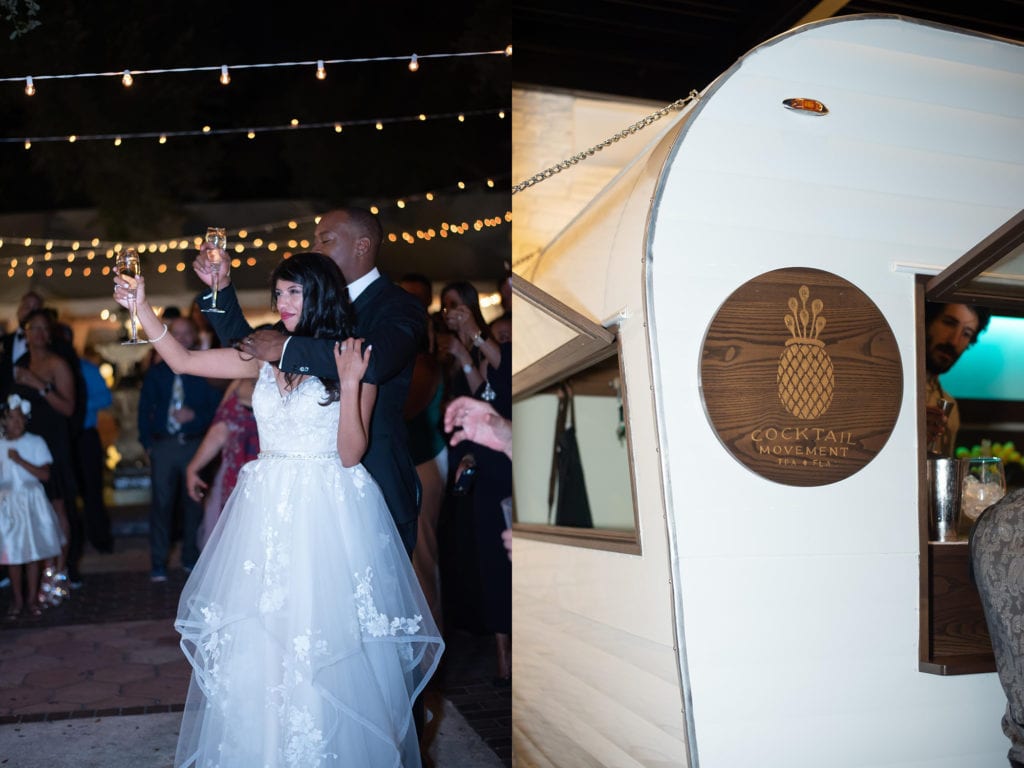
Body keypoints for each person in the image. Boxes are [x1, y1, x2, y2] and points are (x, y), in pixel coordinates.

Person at [113, 251, 442, 767]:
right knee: (263, 637)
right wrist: (141, 306)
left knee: (324, 635)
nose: (284, 303)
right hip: (265, 510)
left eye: (295, 292)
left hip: (327, 512)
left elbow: (351, 453)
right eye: (279, 293)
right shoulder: (264, 352)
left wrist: (353, 381)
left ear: (321, 296)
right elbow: (185, 361)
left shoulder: (352, 353)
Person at [192, 207, 426, 555]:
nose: (315, 248)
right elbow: (254, 349)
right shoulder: (310, 304)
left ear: (362, 245)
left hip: (376, 479)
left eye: (325, 240)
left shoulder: (399, 306)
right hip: (307, 500)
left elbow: (375, 364)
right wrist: (220, 288)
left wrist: (288, 348)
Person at [137, 317, 222, 581]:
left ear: (195, 336)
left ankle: (190, 557)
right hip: (164, 446)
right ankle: (158, 563)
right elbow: (143, 411)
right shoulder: (157, 372)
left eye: (187, 333)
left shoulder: (204, 371)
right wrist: (148, 445)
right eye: (177, 333)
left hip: (194, 445)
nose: (182, 338)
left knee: (194, 503)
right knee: (161, 505)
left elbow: (217, 411)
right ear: (168, 335)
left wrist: (194, 416)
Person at [9, 308, 77, 603]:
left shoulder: (57, 364)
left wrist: (38, 384)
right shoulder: (20, 363)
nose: (38, 334)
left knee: (57, 509)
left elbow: (69, 408)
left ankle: (59, 574)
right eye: (32, 328)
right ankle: (37, 575)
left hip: (53, 441)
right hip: (27, 442)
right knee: (35, 511)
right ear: (24, 331)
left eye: (43, 328)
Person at [399, 274, 448, 629]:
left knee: (422, 557)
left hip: (422, 461)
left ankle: (432, 647)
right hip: (404, 463)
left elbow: (402, 413)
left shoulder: (424, 365)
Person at [0, 395, 64, 619]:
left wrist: (19, 460)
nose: (16, 424)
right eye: (11, 419)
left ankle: (32, 598)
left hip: (31, 503)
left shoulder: (35, 442)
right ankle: (17, 599)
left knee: (32, 553)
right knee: (12, 554)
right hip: (8, 505)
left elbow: (45, 474)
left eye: (20, 419)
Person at [185, 377, 259, 549]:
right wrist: (193, 467)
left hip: (271, 475)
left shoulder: (292, 372)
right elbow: (220, 430)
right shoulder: (237, 381)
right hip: (234, 473)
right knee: (232, 538)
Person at [924, 302, 991, 456]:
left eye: (966, 333)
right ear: (927, 321)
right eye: (949, 323)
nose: (954, 341)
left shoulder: (950, 405)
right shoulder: (893, 389)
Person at [75, 345, 115, 557]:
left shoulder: (87, 369)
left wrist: (79, 406)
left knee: (93, 490)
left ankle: (100, 539)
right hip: (59, 439)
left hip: (85, 435)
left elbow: (106, 398)